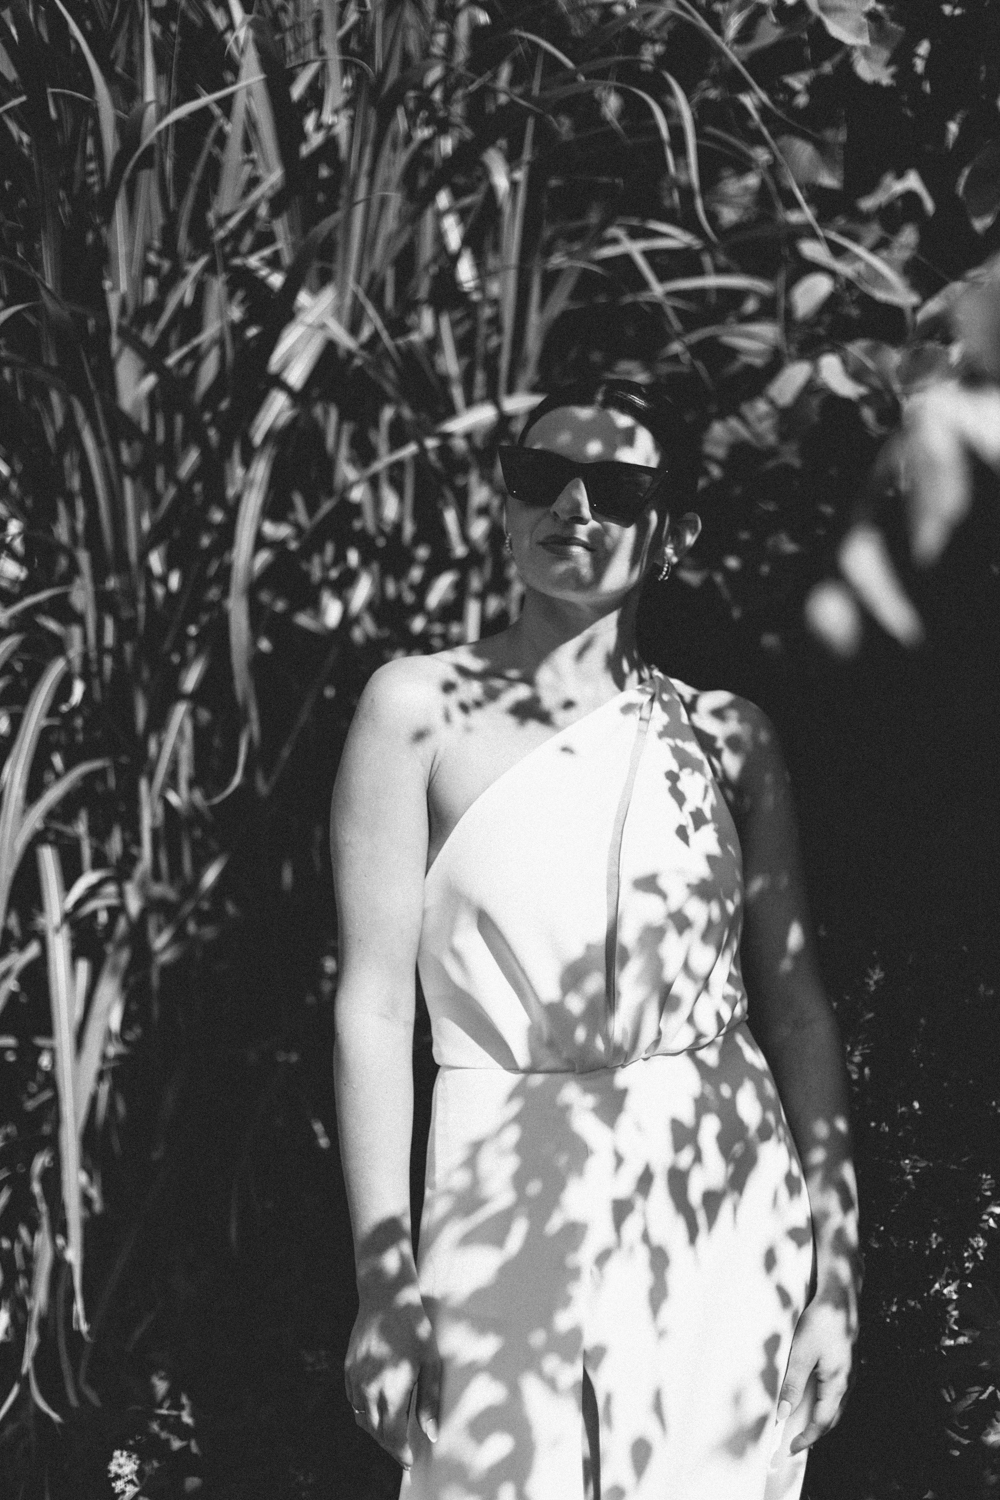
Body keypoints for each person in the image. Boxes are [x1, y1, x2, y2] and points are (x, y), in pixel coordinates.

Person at [331, 378, 860, 1500]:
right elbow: (372, 1006)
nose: (572, 506)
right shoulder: (415, 708)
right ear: (505, 502)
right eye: (541, 477)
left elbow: (799, 1006)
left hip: (718, 1177)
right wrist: (384, 1278)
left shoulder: (727, 737)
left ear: (672, 534)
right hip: (498, 1158)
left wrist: (837, 1274)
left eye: (616, 489)